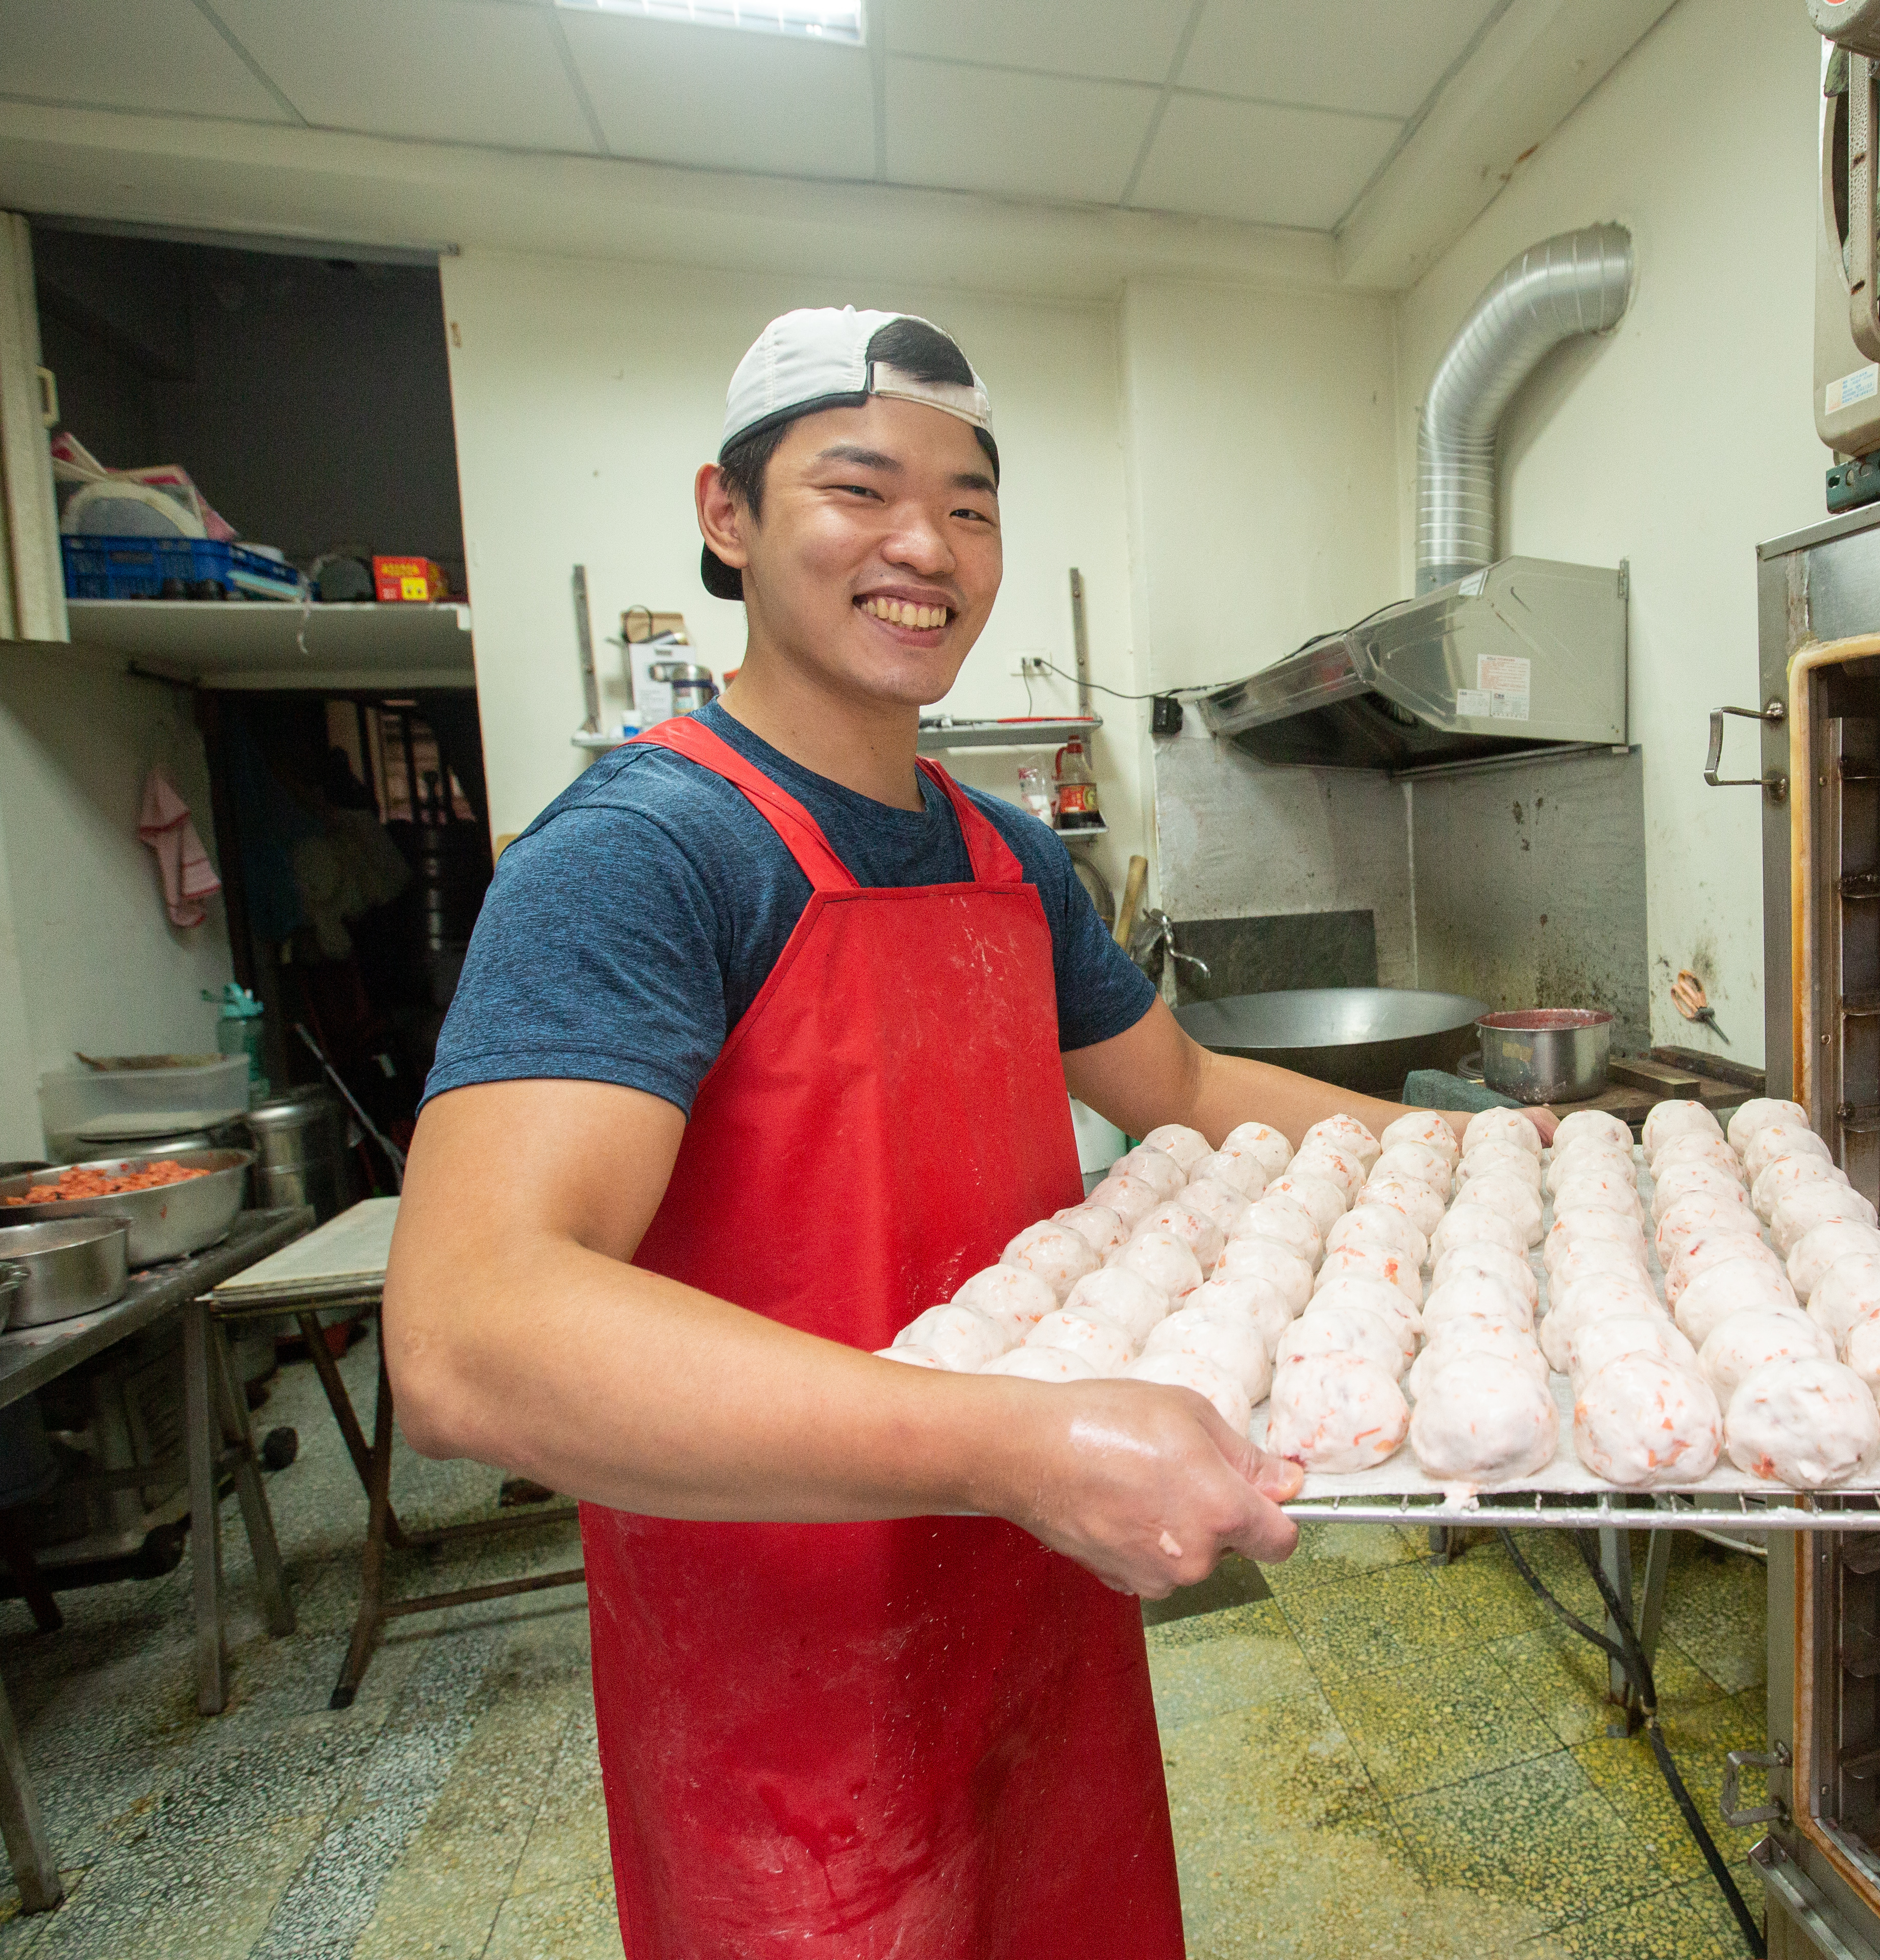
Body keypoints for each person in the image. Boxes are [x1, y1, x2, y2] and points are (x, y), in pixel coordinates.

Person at [383, 309, 1496, 1958]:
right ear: (727, 514)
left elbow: (1180, 1093)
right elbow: (469, 1336)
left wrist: (1507, 1162)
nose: (927, 545)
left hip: (1037, 1591)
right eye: (861, 488)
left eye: (971, 506)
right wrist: (998, 1441)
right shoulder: (648, 856)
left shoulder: (1004, 855)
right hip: (788, 1657)